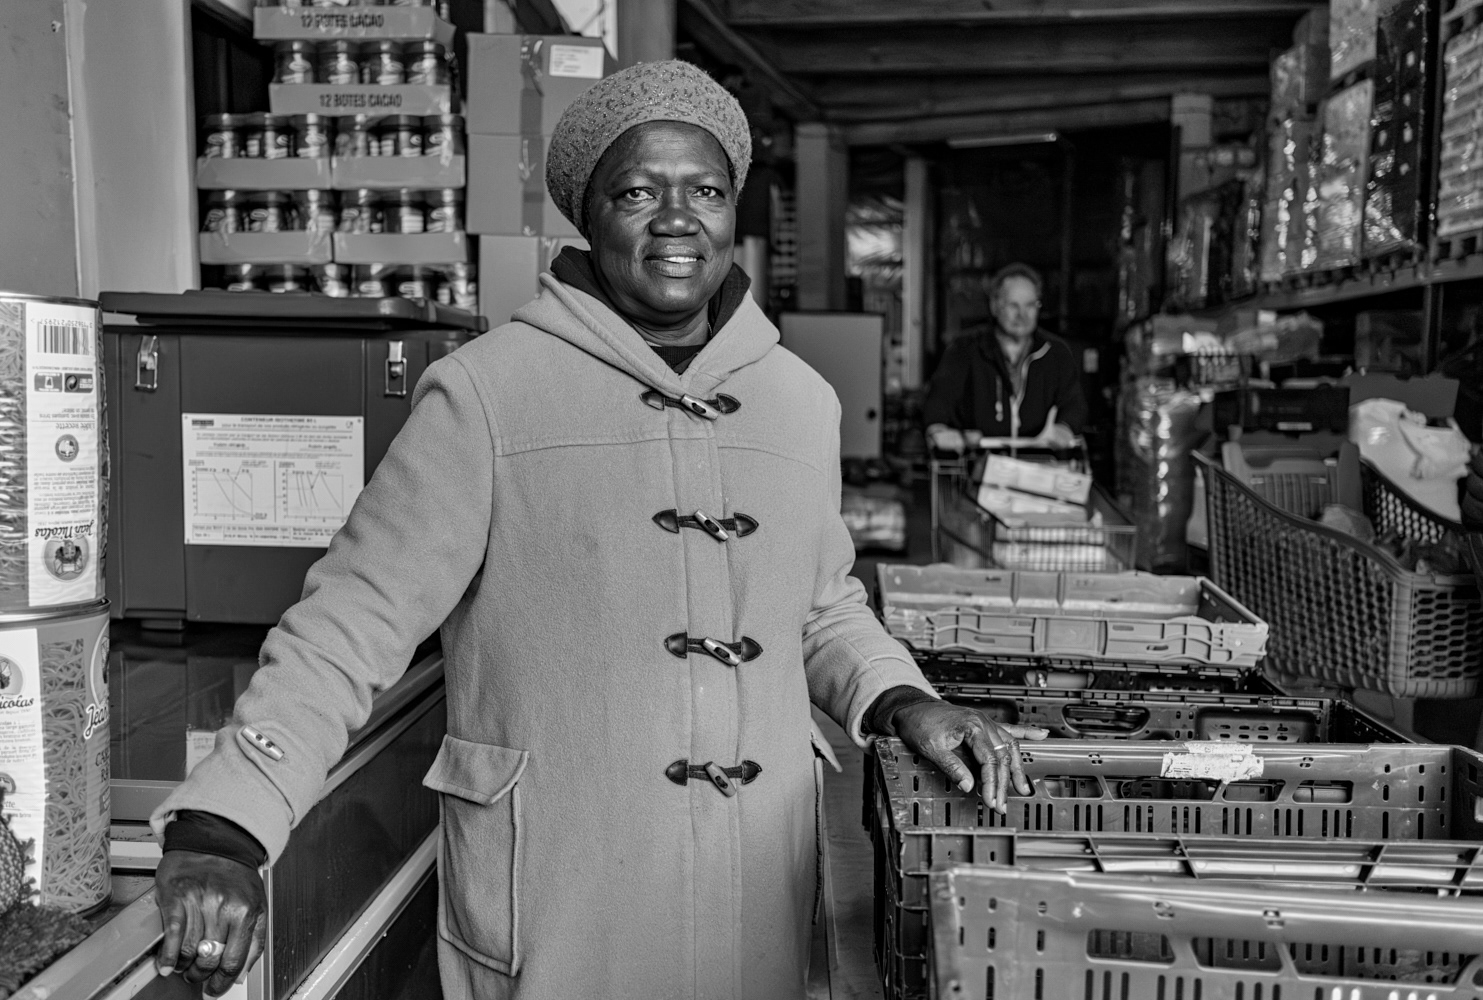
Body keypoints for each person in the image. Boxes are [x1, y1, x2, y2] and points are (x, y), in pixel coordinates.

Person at [148, 61, 1044, 1000]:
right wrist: (226, 825)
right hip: (559, 898)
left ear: (732, 211)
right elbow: (353, 618)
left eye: (704, 190)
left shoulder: (797, 403)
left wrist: (905, 700)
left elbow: (818, 607)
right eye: (636, 191)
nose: (674, 217)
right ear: (588, 212)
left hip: (757, 888)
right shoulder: (488, 396)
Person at [922, 262, 1088, 453]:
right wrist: (938, 430)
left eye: (1030, 306)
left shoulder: (1055, 352)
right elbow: (939, 399)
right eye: (1013, 305)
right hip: (978, 465)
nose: (1022, 315)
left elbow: (1074, 403)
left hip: (1039, 467)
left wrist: (1064, 428)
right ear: (995, 306)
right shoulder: (964, 350)